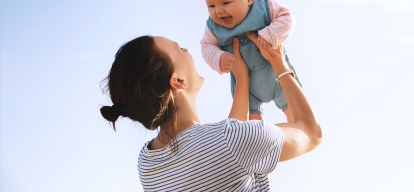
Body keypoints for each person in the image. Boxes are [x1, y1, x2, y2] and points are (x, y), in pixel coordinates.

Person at [100, 32, 322, 191]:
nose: (187, 50)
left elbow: (225, 156)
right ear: (178, 81)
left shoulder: (148, 164)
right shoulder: (232, 141)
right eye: (179, 49)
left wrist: (242, 79)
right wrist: (278, 63)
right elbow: (312, 133)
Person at [195, 0, 301, 121]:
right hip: (247, 87)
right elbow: (206, 46)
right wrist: (218, 58)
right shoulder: (213, 27)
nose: (218, 11)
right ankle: (258, 137)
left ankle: (296, 127)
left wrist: (270, 34)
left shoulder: (263, 6)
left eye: (225, 3)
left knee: (296, 115)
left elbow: (287, 18)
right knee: (251, 127)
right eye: (211, 6)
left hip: (278, 76)